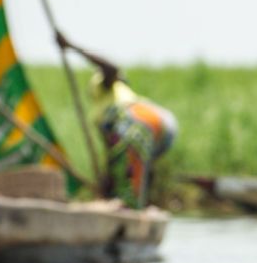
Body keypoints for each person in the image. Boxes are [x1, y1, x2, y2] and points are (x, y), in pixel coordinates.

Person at [56, 32, 178, 209]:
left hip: (138, 121)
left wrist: (72, 47)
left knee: (125, 190)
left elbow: (111, 68)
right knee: (132, 172)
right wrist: (106, 182)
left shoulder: (107, 86)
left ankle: (131, 211)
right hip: (163, 123)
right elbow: (113, 153)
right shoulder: (118, 99)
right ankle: (140, 209)